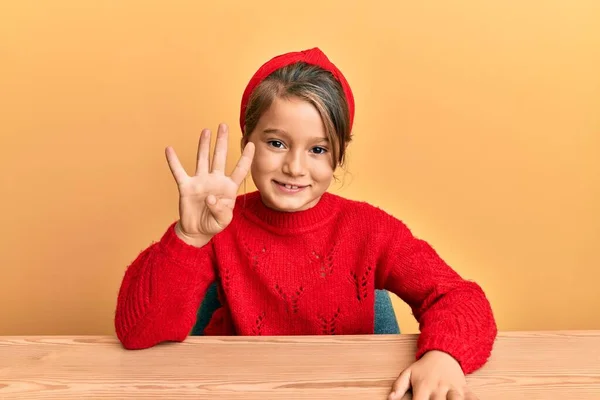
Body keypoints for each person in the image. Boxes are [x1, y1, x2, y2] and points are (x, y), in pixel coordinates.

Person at [114, 47, 497, 399]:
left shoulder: (371, 229)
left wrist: (445, 354)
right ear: (248, 142)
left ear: (338, 157)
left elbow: (459, 297)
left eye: (317, 149)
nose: (295, 167)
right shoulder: (216, 221)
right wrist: (189, 237)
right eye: (276, 143)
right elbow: (137, 332)